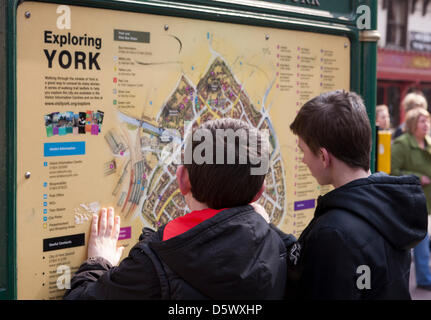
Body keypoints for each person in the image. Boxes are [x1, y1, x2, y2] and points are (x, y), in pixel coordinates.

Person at [64, 118, 296, 300]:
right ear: (260, 192)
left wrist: (98, 262)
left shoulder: (154, 265)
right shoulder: (282, 249)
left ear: (182, 179)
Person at [287, 90, 428, 299]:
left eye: (303, 151)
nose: (303, 160)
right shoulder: (391, 205)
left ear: (324, 157)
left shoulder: (333, 233)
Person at [391, 107, 431, 290]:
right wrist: (417, 177)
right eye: (423, 121)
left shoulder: (428, 143)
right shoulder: (402, 143)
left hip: (428, 202)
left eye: (428, 121)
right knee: (420, 242)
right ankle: (424, 279)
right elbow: (392, 172)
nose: (427, 125)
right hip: (411, 203)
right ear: (413, 123)